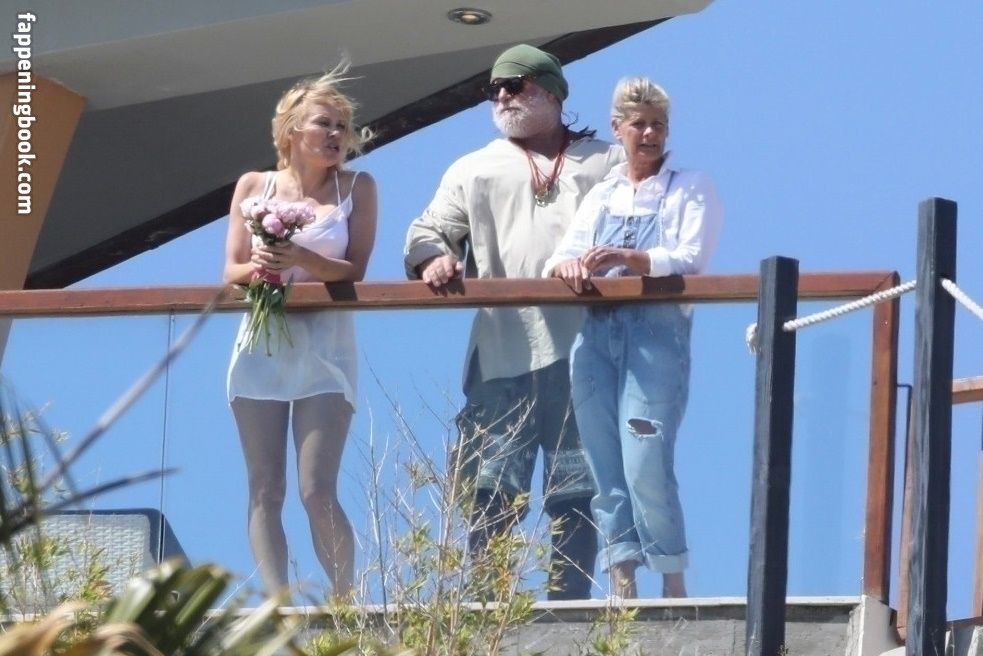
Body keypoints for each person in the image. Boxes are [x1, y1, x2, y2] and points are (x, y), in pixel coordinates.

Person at [404, 44, 623, 600]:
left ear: (552, 91)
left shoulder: (607, 162)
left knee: (577, 491)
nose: (501, 96)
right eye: (494, 88)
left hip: (588, 353)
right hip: (502, 353)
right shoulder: (474, 167)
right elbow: (428, 231)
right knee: (491, 489)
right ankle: (486, 608)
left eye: (515, 84)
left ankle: (569, 610)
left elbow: (647, 224)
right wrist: (433, 258)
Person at [543, 77, 723, 598]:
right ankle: (621, 580)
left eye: (658, 124)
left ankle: (672, 580)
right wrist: (571, 267)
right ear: (618, 129)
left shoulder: (690, 185)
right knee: (603, 459)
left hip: (655, 335)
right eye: (639, 124)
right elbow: (559, 257)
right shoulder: (604, 193)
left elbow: (690, 258)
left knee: (645, 455)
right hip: (596, 334)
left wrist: (627, 258)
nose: (649, 134)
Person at [224, 66, 377, 598]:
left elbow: (355, 270)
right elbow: (231, 271)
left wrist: (301, 257)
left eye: (342, 126)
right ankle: (278, 607)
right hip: (261, 345)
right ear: (292, 130)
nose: (336, 135)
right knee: (265, 488)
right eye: (324, 123)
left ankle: (344, 603)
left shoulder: (357, 188)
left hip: (326, 349)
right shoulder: (254, 186)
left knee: (317, 489)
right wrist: (265, 268)